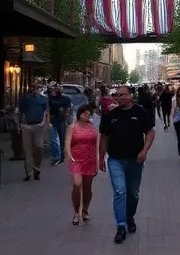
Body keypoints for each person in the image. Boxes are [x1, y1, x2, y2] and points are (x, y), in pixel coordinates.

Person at [98, 84, 155, 244]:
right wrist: (101, 156)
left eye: (123, 95)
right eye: (118, 95)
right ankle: (121, 226)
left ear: (131, 96)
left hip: (135, 160)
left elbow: (150, 131)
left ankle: (129, 217)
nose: (120, 97)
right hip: (116, 160)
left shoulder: (139, 112)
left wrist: (145, 151)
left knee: (133, 193)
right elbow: (104, 135)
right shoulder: (111, 115)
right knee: (120, 192)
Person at [65, 105, 99, 226]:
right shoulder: (72, 127)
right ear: (80, 114)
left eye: (89, 114)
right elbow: (67, 143)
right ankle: (76, 211)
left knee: (87, 186)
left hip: (90, 160)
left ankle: (85, 210)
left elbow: (96, 145)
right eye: (86, 114)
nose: (88, 116)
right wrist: (70, 156)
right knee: (77, 184)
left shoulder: (92, 127)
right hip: (77, 160)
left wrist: (98, 160)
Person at [17, 80, 50, 181]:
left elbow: (47, 112)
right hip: (26, 126)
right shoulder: (25, 99)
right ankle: (29, 172)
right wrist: (19, 124)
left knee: (38, 147)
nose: (37, 89)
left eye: (38, 87)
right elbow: (20, 111)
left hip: (39, 126)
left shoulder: (43, 99)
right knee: (27, 149)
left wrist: (47, 125)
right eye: (35, 87)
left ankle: (37, 168)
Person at [48, 84, 74, 166]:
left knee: (61, 138)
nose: (57, 90)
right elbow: (48, 109)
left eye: (59, 89)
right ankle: (57, 156)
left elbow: (69, 109)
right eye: (56, 89)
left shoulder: (65, 99)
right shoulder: (51, 98)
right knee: (54, 139)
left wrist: (67, 118)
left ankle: (60, 157)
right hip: (53, 120)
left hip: (61, 120)